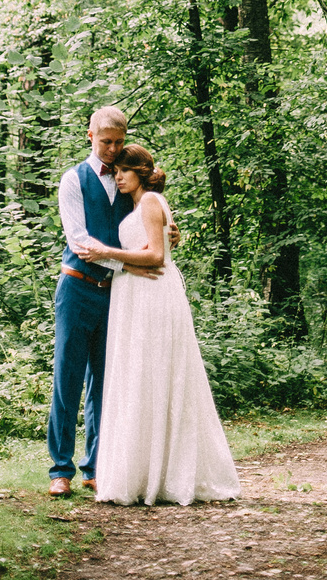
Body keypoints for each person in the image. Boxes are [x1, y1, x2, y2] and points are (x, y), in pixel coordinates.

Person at [76, 143, 240, 506]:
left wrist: (107, 252)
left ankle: (163, 474)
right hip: (135, 295)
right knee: (140, 377)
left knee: (153, 375)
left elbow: (155, 255)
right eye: (115, 170)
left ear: (140, 172)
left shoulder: (149, 201)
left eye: (123, 170)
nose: (117, 176)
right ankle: (144, 471)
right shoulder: (140, 204)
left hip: (151, 294)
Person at [47, 107, 178, 498]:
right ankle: (60, 470)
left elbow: (149, 229)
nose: (113, 149)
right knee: (67, 379)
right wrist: (125, 264)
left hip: (120, 295)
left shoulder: (128, 180)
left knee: (108, 382)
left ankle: (97, 466)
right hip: (78, 287)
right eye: (106, 142)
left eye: (119, 142)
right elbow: (79, 241)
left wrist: (169, 237)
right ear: (90, 135)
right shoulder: (73, 179)